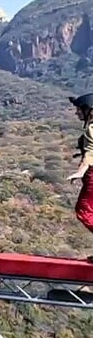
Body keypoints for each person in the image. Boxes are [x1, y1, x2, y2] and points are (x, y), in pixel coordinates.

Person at [68, 93, 93, 234]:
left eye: (79, 109)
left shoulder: (92, 129)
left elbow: (90, 153)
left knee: (85, 211)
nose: (76, 112)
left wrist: (81, 171)